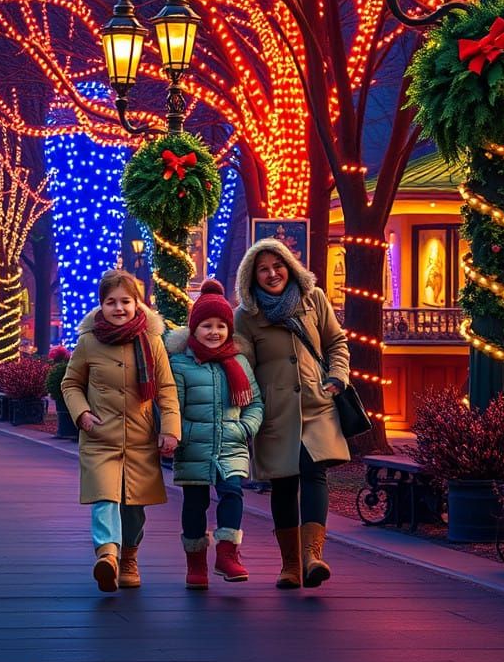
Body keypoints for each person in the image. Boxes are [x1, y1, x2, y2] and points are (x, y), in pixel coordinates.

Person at [234, 238, 351, 589]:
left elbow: (336, 342)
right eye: (263, 269)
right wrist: (250, 404)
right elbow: (243, 363)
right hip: (274, 412)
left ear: (289, 265)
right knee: (284, 484)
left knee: (313, 473)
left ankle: (313, 556)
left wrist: (337, 376)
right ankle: (290, 565)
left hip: (317, 404)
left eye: (277, 265)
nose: (272, 274)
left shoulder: (313, 298)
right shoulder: (247, 315)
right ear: (252, 277)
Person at [61, 269, 181, 592]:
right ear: (101, 306)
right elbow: (70, 383)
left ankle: (129, 557)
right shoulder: (88, 342)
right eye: (111, 302)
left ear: (137, 304)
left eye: (126, 301)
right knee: (105, 498)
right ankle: (107, 557)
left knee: (133, 506)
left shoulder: (152, 342)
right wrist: (82, 413)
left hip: (141, 438)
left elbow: (166, 389)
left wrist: (170, 430)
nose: (119, 308)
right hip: (100, 436)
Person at [165, 279, 264, 590]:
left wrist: (244, 427)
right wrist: (178, 434)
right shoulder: (180, 364)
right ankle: (196, 563)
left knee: (233, 493)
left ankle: (226, 554)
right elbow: (171, 406)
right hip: (193, 446)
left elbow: (255, 404)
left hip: (231, 444)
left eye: (221, 325)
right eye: (206, 325)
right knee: (195, 504)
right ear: (194, 329)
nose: (214, 332)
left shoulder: (239, 363)